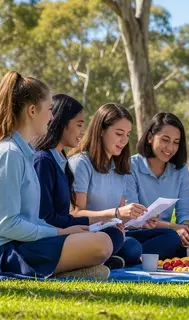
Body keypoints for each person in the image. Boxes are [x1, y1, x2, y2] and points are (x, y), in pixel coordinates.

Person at [0, 72, 112, 280]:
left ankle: (60, 273)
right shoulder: (9, 154)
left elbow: (29, 220)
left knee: (99, 240)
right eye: (50, 109)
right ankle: (56, 273)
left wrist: (64, 230)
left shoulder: (24, 154)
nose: (52, 117)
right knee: (101, 243)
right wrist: (59, 233)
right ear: (32, 111)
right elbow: (6, 224)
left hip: (20, 244)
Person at [69, 103, 180, 264]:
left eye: (128, 135)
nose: (124, 140)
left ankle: (116, 259)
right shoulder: (81, 164)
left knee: (169, 236)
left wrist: (141, 220)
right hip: (88, 235)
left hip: (116, 234)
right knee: (131, 247)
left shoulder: (120, 168)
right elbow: (76, 214)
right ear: (101, 130)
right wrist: (116, 213)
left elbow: (121, 220)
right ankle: (116, 258)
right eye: (119, 133)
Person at [33, 94, 126, 270]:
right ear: (62, 123)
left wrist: (97, 223)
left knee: (114, 235)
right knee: (105, 241)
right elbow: (44, 218)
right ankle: (81, 264)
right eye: (79, 125)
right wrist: (80, 226)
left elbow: (63, 215)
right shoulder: (43, 161)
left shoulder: (61, 161)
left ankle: (86, 262)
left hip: (64, 233)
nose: (82, 131)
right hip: (48, 239)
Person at [126, 112, 189, 253]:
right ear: (150, 138)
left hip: (170, 233)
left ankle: (159, 253)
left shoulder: (180, 170)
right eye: (165, 140)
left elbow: (184, 210)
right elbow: (134, 218)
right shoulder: (131, 166)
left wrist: (186, 229)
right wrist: (175, 228)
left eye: (176, 142)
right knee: (169, 239)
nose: (170, 148)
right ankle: (133, 255)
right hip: (137, 233)